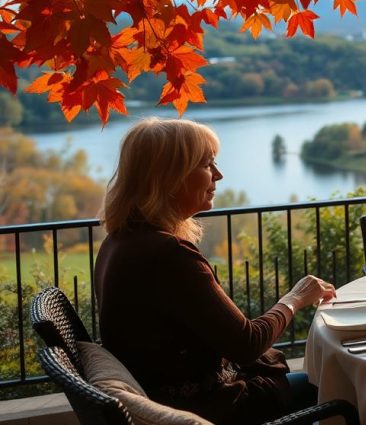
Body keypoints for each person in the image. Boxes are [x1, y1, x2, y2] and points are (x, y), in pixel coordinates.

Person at [95, 118, 336, 424]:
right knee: (335, 388)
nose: (218, 175)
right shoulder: (169, 255)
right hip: (213, 409)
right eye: (207, 164)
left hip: (168, 399)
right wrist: (295, 298)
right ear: (170, 176)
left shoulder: (119, 241)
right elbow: (247, 344)